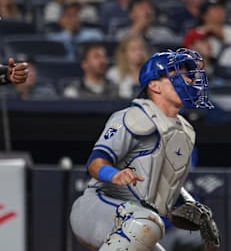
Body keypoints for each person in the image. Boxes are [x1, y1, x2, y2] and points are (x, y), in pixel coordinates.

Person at [69, 48, 219, 250]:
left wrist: (191, 205)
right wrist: (114, 175)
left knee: (148, 224)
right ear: (154, 85)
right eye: (176, 75)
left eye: (187, 76)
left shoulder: (183, 131)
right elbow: (95, 163)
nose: (187, 81)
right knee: (147, 223)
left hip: (135, 220)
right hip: (99, 207)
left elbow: (166, 183)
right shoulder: (133, 117)